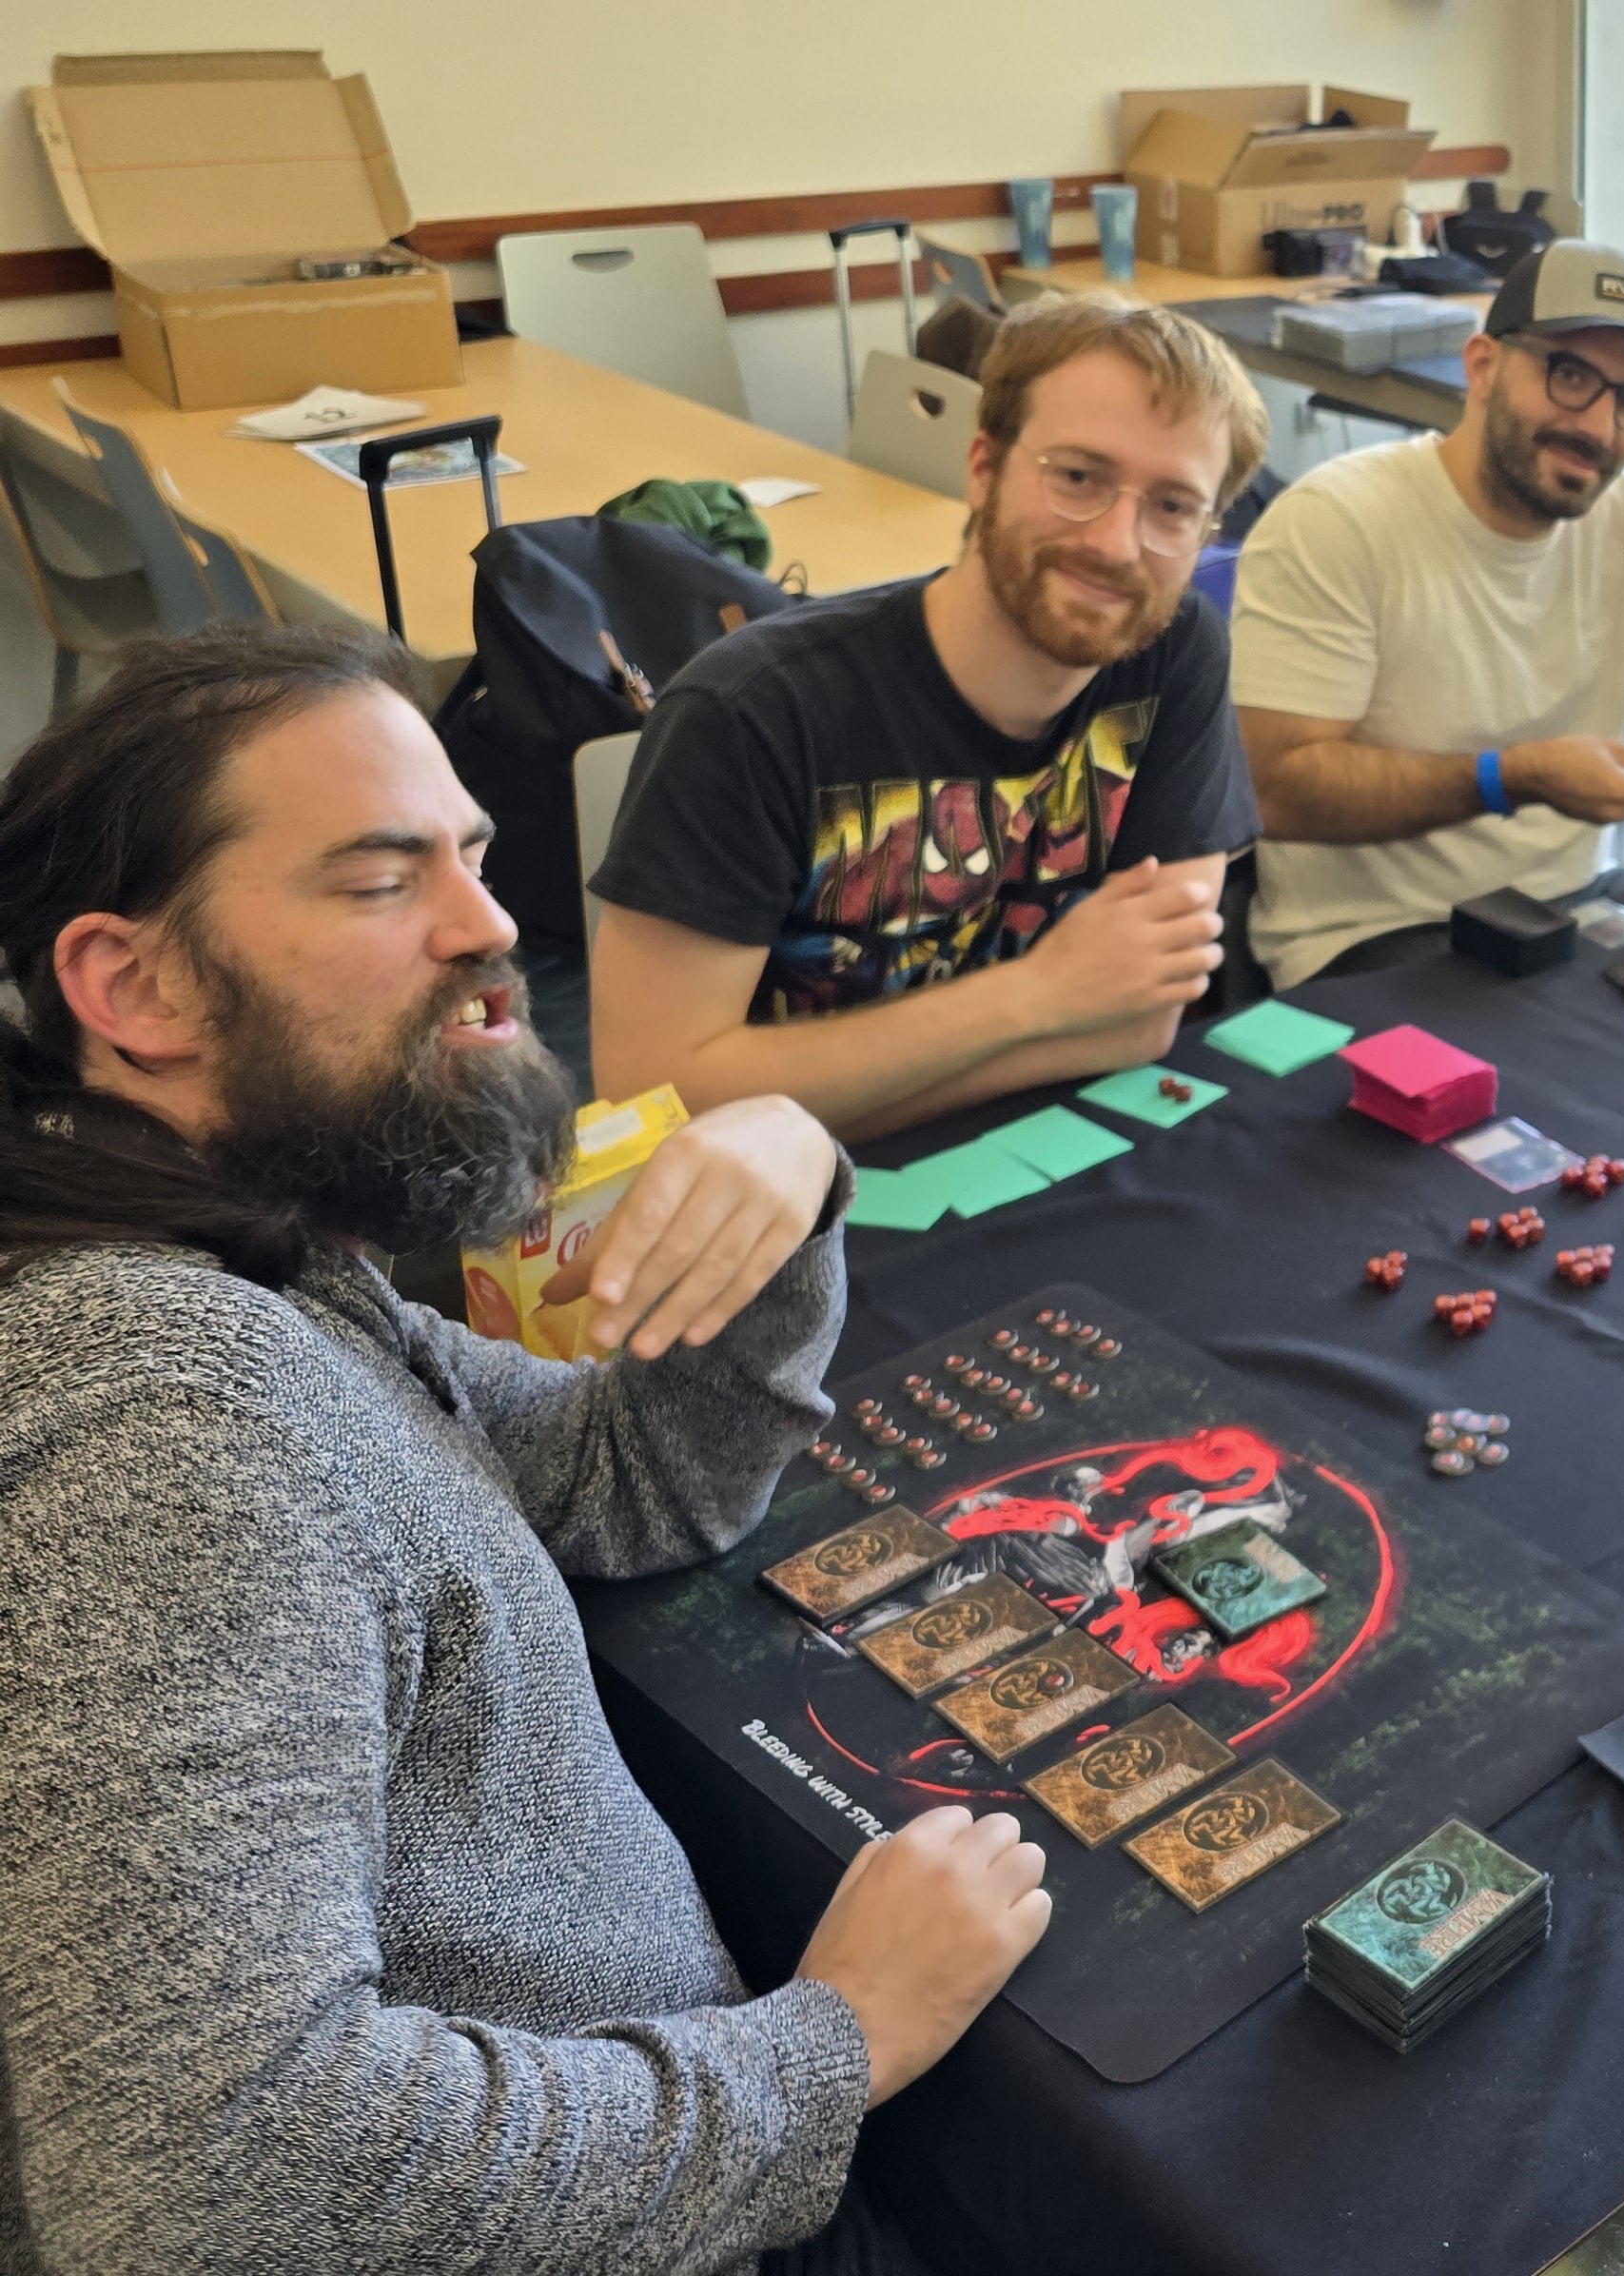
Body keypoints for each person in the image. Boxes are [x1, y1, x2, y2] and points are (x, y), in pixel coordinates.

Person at [0, 628, 1048, 2274]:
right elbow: (209, 2198)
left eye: (474, 858)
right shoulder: (166, 1407)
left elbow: (631, 1480)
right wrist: (840, 2044)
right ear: (136, 991)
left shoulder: (258, 1260)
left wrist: (788, 1177)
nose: (490, 928)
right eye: (380, 879)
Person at [593, 294, 1267, 1139]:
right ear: (983, 467)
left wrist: (836, 1090)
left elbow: (1144, 1020)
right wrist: (1042, 994)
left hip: (1044, 1144)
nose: (1116, 544)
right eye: (1077, 477)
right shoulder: (752, 713)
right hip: (784, 1196)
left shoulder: (1172, 647)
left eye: (1172, 506)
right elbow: (651, 1098)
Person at [1232, 240, 1624, 987]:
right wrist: (1507, 779)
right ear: (1483, 367)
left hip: (1574, 910)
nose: (1599, 427)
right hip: (1373, 939)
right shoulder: (1337, 520)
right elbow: (1277, 791)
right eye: (1570, 376)